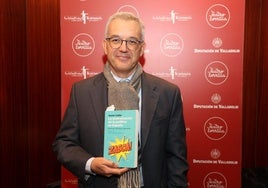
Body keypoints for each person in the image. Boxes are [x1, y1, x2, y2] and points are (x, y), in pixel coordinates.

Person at [53, 11, 189, 188]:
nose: (123, 48)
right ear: (105, 45)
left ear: (141, 48)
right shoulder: (82, 92)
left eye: (132, 41)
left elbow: (177, 159)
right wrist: (91, 164)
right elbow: (64, 143)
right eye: (115, 40)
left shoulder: (167, 93)